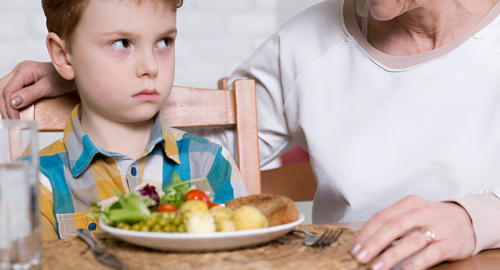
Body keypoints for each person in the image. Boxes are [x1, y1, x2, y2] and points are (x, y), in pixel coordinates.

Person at [2, 0, 500, 269]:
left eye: (163, 43)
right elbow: (180, 161)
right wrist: (82, 74)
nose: (148, 62)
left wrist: (473, 220)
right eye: (124, 45)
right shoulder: (306, 43)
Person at [29, 0, 249, 241]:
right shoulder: (33, 182)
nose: (151, 66)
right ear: (63, 56)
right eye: (122, 43)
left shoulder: (211, 165)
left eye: (164, 42)